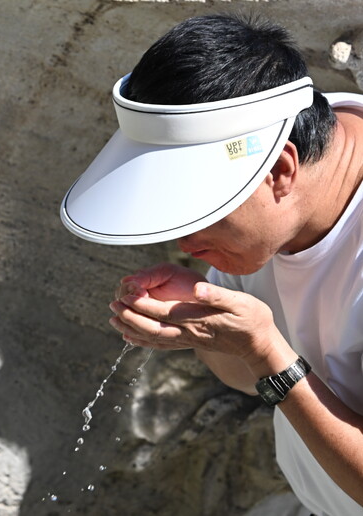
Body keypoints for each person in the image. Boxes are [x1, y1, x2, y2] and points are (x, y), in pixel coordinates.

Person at [60, 13, 363, 515]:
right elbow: (247, 380)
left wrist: (269, 355)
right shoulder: (283, 173)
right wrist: (208, 329)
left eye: (198, 211)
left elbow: (270, 371)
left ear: (281, 170)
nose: (183, 241)